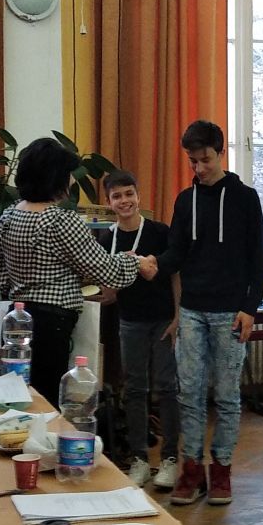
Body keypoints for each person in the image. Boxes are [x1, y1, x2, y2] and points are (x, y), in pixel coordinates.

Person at [0, 138, 156, 408]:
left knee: (19, 396)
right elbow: (104, 270)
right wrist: (136, 263)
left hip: (17, 317)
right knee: (47, 398)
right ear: (55, 178)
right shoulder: (60, 220)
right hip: (52, 322)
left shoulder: (9, 215)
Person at [150, 120, 263, 506]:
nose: (198, 168)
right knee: (190, 394)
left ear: (221, 153)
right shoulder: (185, 201)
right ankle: (191, 470)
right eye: (192, 161)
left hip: (230, 312)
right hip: (192, 312)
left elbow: (259, 260)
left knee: (228, 396)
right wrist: (151, 264)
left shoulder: (245, 198)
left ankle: (221, 471)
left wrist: (249, 308)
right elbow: (176, 253)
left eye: (205, 160)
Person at [97, 170, 181, 489]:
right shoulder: (107, 240)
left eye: (129, 194)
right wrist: (122, 268)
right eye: (117, 196)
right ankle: (139, 459)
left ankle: (170, 458)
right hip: (130, 321)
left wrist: (178, 317)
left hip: (163, 320)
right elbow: (108, 293)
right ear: (109, 202)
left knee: (167, 387)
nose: (124, 201)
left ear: (138, 195)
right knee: (133, 388)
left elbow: (175, 274)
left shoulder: (159, 232)